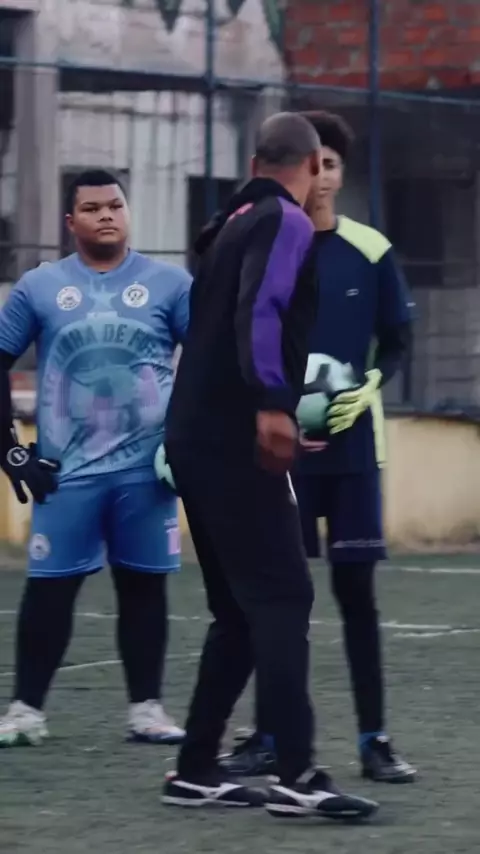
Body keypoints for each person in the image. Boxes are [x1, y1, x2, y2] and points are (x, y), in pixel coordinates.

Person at [162, 112, 378, 821]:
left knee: (239, 611)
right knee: (283, 598)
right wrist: (274, 404)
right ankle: (298, 775)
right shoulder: (284, 220)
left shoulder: (233, 220)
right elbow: (263, 308)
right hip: (235, 441)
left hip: (193, 438)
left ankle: (196, 768)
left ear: (256, 163)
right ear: (314, 165)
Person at [221, 111, 416, 783]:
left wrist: (369, 386)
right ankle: (269, 736)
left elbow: (397, 341)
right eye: (316, 163)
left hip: (354, 453)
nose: (322, 176)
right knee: (279, 599)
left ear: (339, 171)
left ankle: (375, 740)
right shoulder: (272, 241)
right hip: (283, 453)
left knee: (356, 595)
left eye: (332, 164)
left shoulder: (370, 249)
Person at [0, 169, 191, 747]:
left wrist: (189, 439)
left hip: (145, 472)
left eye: (115, 205)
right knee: (49, 588)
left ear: (127, 213)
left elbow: (210, 358)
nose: (106, 214)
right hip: (67, 473)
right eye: (92, 208)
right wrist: (11, 451)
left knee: (144, 586)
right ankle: (25, 712)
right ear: (71, 222)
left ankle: (147, 711)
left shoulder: (171, 284)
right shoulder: (40, 287)